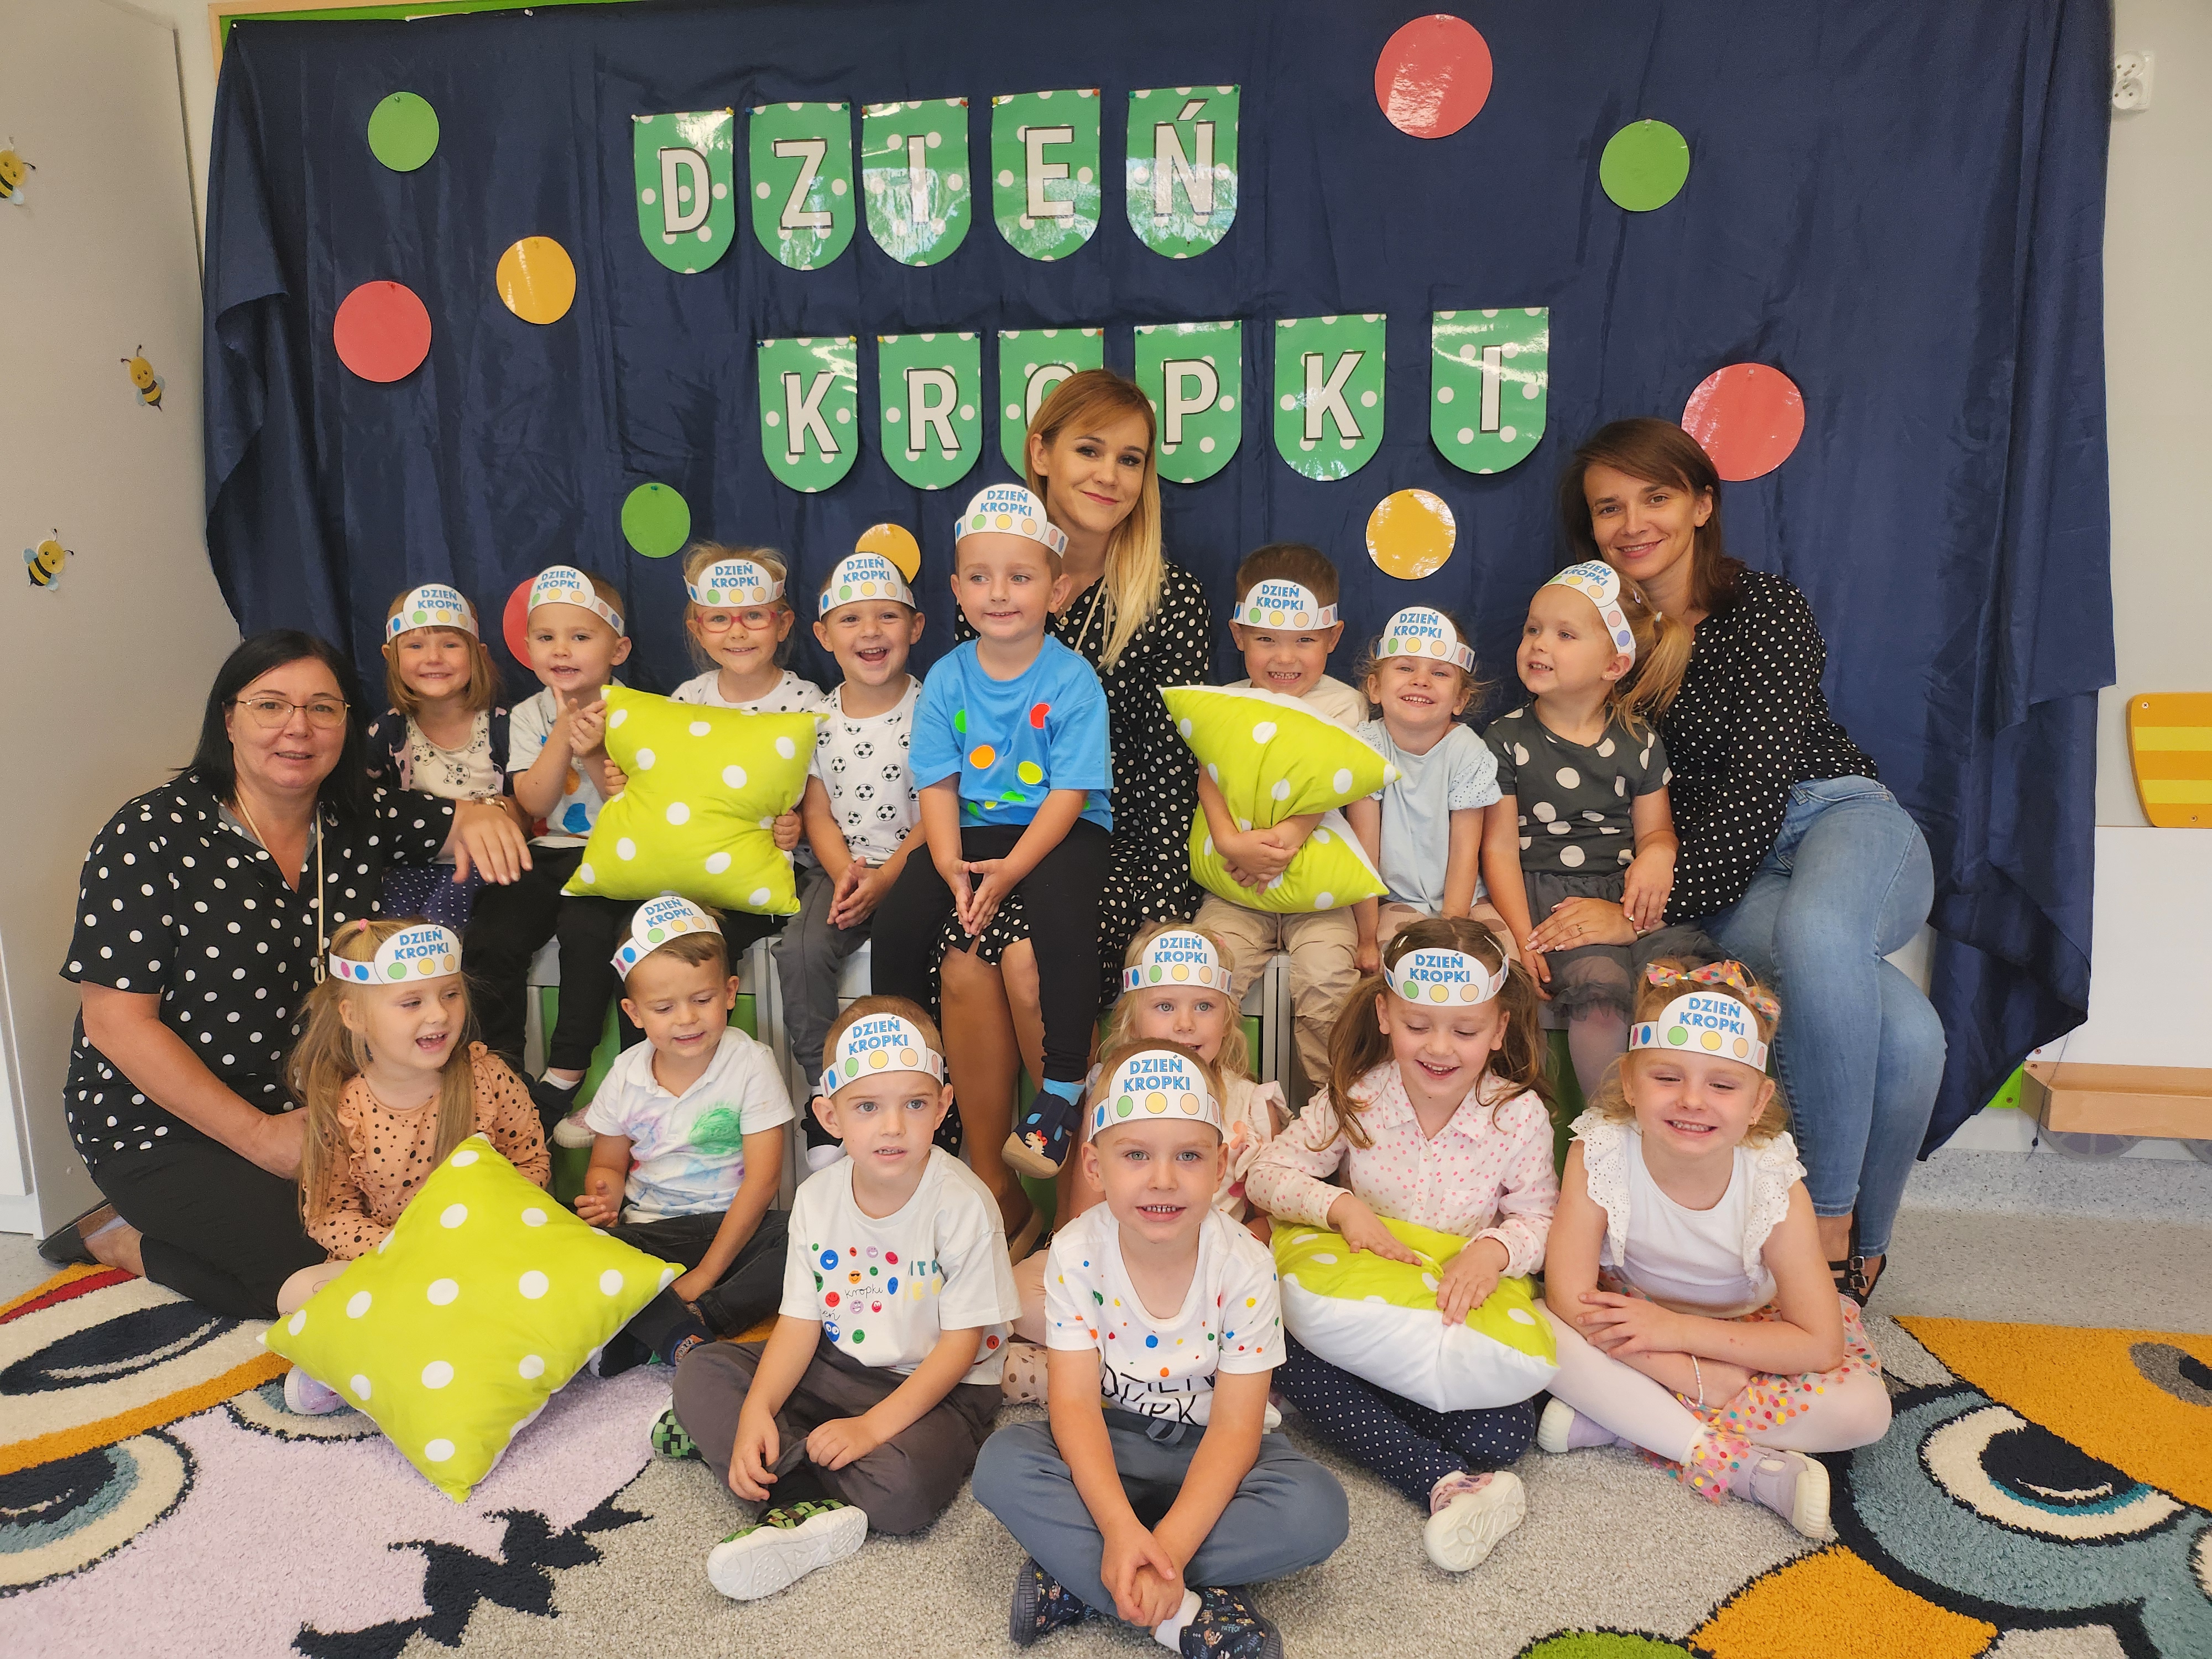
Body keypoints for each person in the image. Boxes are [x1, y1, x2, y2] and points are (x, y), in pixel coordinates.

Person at [1541, 418, 1945, 1303]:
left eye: (1655, 497)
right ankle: (1869, 1255)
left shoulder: (1765, 607)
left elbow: (1761, 782)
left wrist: (1642, 910)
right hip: (1738, 874)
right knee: (1911, 1032)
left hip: (1833, 813)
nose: (1633, 523)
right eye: (1609, 508)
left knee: (1819, 935)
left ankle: (1825, 1222)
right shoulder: (1605, 641)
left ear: (1701, 505)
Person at [40, 630, 529, 1317]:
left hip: (318, 1107)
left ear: (347, 724)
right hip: (161, 1119)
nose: (298, 728)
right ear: (228, 719)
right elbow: (115, 1024)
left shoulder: (360, 817)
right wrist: (259, 1137)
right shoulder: (149, 834)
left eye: (323, 708)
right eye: (270, 705)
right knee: (324, 1278)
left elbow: (468, 819)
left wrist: (492, 816)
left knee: (426, 1236)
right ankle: (123, 1240)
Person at [938, 369, 1214, 1244]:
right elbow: (966, 751)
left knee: (1025, 960)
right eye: (1089, 450)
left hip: (1127, 849)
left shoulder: (1169, 597)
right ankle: (996, 1194)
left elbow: (1174, 769)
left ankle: (1075, 1209)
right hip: (1011, 838)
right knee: (962, 958)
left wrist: (1158, 900)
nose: (1110, 475)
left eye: (1131, 459)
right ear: (1041, 455)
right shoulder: (996, 579)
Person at [971, 1042, 1348, 1655]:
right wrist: (1120, 1526)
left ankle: (1087, 1579)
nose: (1163, 1180)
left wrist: (1167, 1544)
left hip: (1215, 1450)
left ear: (1221, 1165)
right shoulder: (1075, 1251)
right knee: (1003, 1462)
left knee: (1316, 1511)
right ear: (1094, 1166)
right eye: (1136, 1155)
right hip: (1114, 1443)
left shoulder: (1246, 1265)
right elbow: (1073, 1406)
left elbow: (1236, 1430)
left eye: (1189, 1156)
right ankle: (1184, 1611)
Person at [662, 997, 1019, 1600]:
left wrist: (871, 1430)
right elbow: (799, 1325)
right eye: (867, 1107)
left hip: (940, 1388)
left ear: (943, 1106)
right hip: (835, 1365)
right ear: (830, 1115)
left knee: (905, 1491)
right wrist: (757, 1408)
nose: (892, 1126)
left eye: (914, 1104)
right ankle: (799, 1488)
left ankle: (771, 1470)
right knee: (702, 1371)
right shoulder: (817, 1197)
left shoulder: (964, 1204)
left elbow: (960, 1349)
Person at [1536, 961, 1892, 1536]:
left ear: (1758, 1101)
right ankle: (1737, 1464)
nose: (1692, 1101)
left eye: (1722, 1086)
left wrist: (1676, 1340)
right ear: (1629, 1082)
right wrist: (1684, 1364)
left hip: (1744, 1334)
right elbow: (1568, 1297)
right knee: (1537, 1332)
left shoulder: (1772, 1180)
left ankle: (1628, 1421)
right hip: (1629, 1316)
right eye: (1666, 1077)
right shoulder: (1599, 1148)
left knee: (1865, 1412)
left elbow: (1819, 1343)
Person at [1244, 919, 1556, 1572]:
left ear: (1499, 1028)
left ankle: (1351, 1409)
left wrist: (1492, 1251)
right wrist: (1340, 1206)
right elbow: (1266, 1174)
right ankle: (1438, 1480)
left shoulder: (1518, 1115)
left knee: (1504, 1435)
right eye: (1418, 1026)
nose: (1439, 1048)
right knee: (1268, 1345)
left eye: (1465, 1031)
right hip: (1361, 1310)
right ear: (1385, 1015)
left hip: (1448, 1320)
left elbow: (1541, 1218)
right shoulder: (1358, 1093)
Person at [872, 482, 1113, 1181]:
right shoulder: (946, 678)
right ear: (956, 590)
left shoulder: (1073, 681)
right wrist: (949, 863)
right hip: (972, 828)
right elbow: (938, 784)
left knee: (1062, 918)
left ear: (1057, 591)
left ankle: (1062, 1084)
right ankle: (903, 1070)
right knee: (899, 921)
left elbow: (1069, 794)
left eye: (1020, 577)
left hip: (1061, 828)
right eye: (979, 577)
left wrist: (1011, 872)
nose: (998, 593)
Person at [1001, 925, 1285, 1401]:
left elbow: (1268, 1221)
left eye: (1204, 1006)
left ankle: (1112, 1378)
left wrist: (1222, 1258)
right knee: (1010, 1295)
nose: (1185, 1024)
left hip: (1204, 1278)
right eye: (1165, 1006)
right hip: (1119, 1261)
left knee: (1273, 1299)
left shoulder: (1254, 1106)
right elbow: (1083, 1215)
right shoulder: (1108, 1095)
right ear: (1133, 1021)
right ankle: (1165, 1379)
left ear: (1227, 1017)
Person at [274, 918, 547, 1413]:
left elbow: (529, 1161)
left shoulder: (488, 1077)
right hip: (395, 1266)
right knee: (296, 1292)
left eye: (450, 995)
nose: (439, 1015)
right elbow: (329, 1213)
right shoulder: (344, 1107)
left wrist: (490, 1233)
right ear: (354, 1016)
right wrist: (403, 1253)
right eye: (411, 1003)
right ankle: (430, 1355)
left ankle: (384, 1362)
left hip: (485, 1255)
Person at [1480, 561, 1695, 1098]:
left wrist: (1658, 853)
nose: (1539, 644)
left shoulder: (1639, 742)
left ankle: (1668, 1118)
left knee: (1681, 983)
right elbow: (1499, 849)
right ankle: (1605, 1127)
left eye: (1565, 634)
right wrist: (1522, 935)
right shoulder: (1505, 740)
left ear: (1614, 664)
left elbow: (1656, 832)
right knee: (1601, 996)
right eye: (1533, 629)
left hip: (1622, 900)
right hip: (1550, 903)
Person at [575, 897, 794, 1375]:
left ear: (730, 992)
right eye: (664, 1007)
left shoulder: (750, 1063)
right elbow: (608, 1164)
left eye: (702, 1000)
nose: (686, 1019)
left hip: (734, 1228)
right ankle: (668, 1330)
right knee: (578, 1248)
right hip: (651, 1231)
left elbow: (763, 1181)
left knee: (809, 1236)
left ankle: (691, 1324)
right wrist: (603, 1199)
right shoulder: (626, 1074)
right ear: (634, 1013)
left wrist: (706, 1275)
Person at [1191, 543, 1376, 1103]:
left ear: (1333, 637)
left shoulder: (1344, 705)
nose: (1284, 658)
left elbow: (1328, 780)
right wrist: (1229, 842)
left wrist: (1290, 837)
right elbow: (1209, 776)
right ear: (1238, 634)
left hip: (1319, 895)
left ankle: (1333, 1110)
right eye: (1266, 639)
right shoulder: (1225, 703)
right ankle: (1217, 1105)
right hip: (1237, 886)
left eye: (1304, 641)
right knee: (1202, 974)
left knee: (1327, 983)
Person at [458, 565, 633, 1126]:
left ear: (618, 649)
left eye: (580, 636)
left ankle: (566, 1070)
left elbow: (633, 804)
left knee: (587, 934)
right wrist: (562, 732)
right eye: (546, 637)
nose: (561, 650)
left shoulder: (638, 710)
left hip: (615, 855)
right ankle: (498, 1068)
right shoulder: (529, 715)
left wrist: (593, 750)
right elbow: (533, 802)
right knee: (494, 931)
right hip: (549, 850)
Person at [775, 550, 927, 1174]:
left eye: (887, 616)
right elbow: (816, 812)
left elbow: (941, 809)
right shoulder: (816, 718)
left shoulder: (934, 707)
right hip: (838, 868)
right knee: (799, 949)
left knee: (908, 955)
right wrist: (846, 873)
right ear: (823, 635)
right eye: (851, 619)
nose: (870, 632)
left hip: (915, 867)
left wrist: (888, 878)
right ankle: (826, 1091)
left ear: (915, 627)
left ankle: (912, 1090)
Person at [1346, 607, 1511, 961]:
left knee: (1504, 964)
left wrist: (1453, 930)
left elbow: (1466, 853)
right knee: (1401, 962)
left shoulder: (1468, 752)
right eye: (1406, 668)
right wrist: (1366, 939)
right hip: (1395, 900)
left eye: (1440, 673)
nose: (1421, 680)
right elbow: (1364, 854)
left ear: (1460, 700)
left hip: (1464, 899)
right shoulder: (1367, 747)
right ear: (1375, 688)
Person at [363, 582, 513, 931]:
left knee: (442, 920)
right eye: (415, 646)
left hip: (488, 863)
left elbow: (531, 805)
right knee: (385, 925)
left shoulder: (507, 726)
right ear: (391, 656)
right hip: (411, 865)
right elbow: (367, 807)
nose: (433, 658)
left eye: (450, 644)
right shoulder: (385, 732)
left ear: (478, 654)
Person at [667, 544, 828, 717]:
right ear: (699, 633)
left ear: (782, 625)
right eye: (719, 618)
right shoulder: (688, 699)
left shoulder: (807, 703)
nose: (737, 633)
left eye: (754, 615)